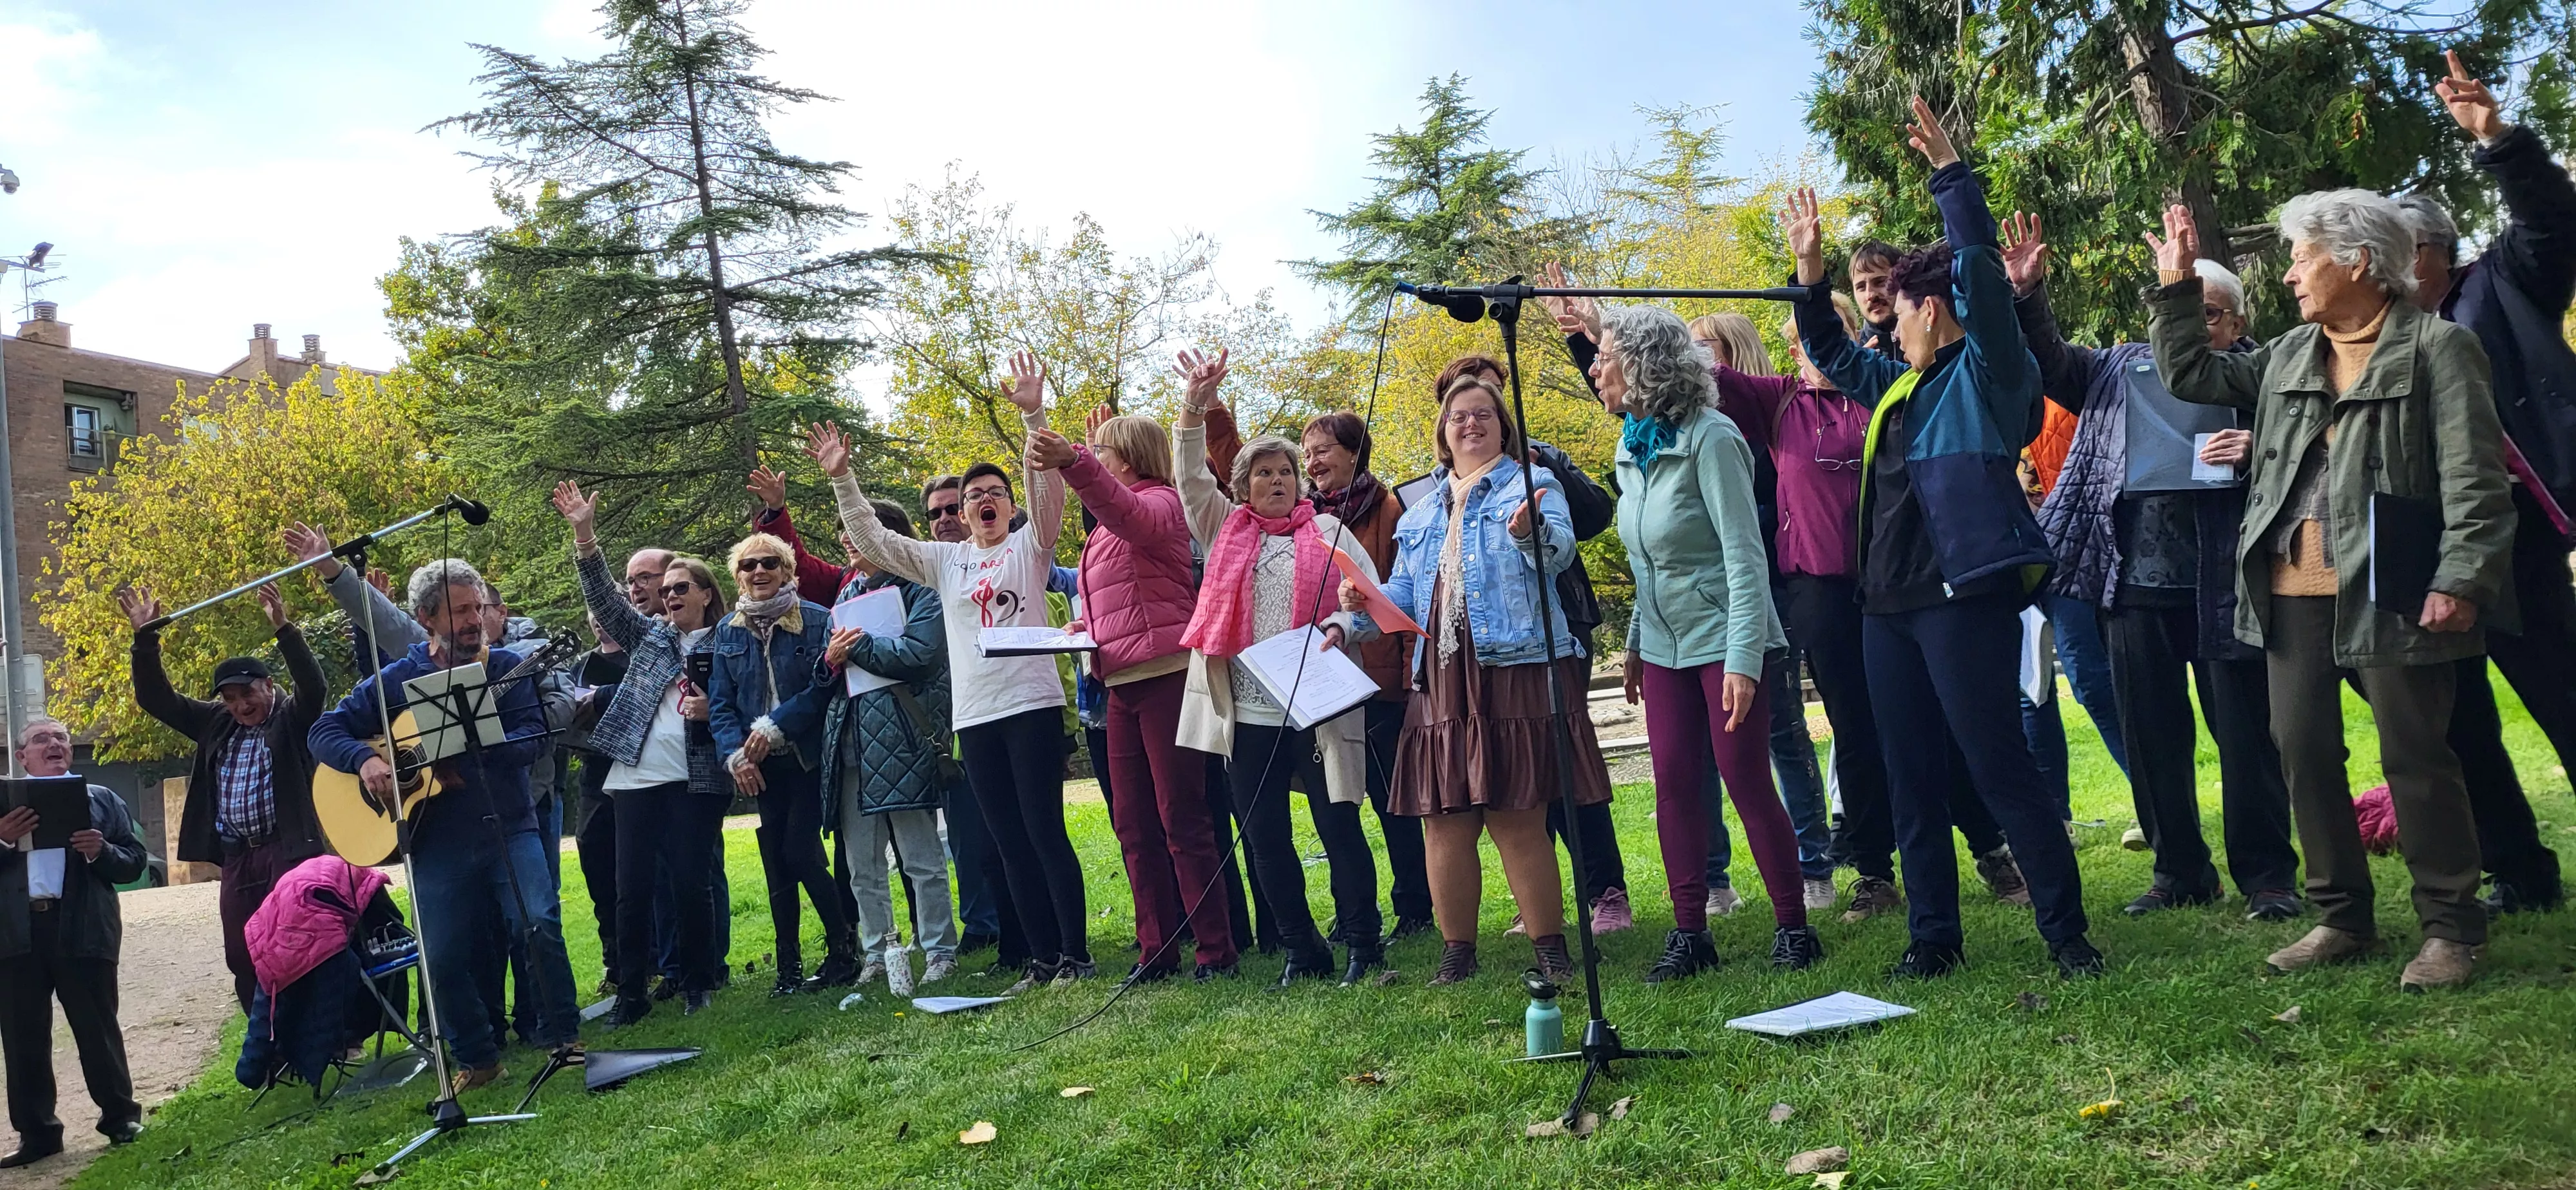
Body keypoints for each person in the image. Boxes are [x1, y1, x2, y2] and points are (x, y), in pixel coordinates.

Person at [2146, 189, 2515, 990]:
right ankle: (2341, 917)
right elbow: (2191, 372)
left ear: (2355, 261)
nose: (2288, 276)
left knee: (2416, 758)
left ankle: (2451, 929)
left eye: (2300, 257)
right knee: (2303, 751)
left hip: (2395, 585)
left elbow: (2477, 481)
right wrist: (2176, 290)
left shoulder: (2438, 349)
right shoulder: (2286, 354)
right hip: (2290, 586)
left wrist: (2460, 578)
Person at [1786, 97, 2103, 981]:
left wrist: (1952, 177)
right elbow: (1834, 352)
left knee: (1999, 765)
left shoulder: (1995, 376)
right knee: (1910, 773)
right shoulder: (1896, 386)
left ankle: (2066, 932)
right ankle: (1933, 939)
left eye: (1899, 310)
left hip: (1966, 599)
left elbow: (1987, 287)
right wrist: (1809, 272)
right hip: (1886, 609)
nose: (1884, 323)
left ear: (1934, 310)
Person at [2005, 214, 2303, 921]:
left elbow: (2314, 441)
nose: (2195, 327)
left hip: (2227, 579)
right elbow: (2049, 362)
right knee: (2151, 734)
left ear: (2234, 323)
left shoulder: (2265, 374)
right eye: (2185, 309)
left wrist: (2259, 441)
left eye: (2208, 314)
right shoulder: (2116, 367)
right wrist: (2026, 294)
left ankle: (2267, 878)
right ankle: (2178, 872)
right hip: (2131, 579)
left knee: (2245, 734)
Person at [811, 352, 1094, 992]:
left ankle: (1075, 957)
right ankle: (1041, 960)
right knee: (1005, 842)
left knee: (1044, 830)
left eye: (995, 494)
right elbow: (877, 543)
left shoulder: (1030, 545)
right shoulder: (945, 563)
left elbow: (1047, 489)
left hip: (1031, 707)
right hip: (976, 717)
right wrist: (842, 479)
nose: (984, 502)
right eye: (973, 498)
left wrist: (1033, 417)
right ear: (961, 514)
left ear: (1008, 506)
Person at [1344, 373, 1612, 987]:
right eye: (1458, 415)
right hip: (1439, 672)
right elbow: (1406, 594)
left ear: (1502, 424)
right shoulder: (1420, 507)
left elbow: (1560, 553)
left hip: (1511, 664)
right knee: (1444, 820)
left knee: (1517, 813)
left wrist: (1528, 532)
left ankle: (1551, 949)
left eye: (1483, 414)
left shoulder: (1533, 481)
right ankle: (1456, 954)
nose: (1470, 423)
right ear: (1443, 429)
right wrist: (1356, 614)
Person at [2391, 52, 2575, 914]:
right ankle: (2521, 872)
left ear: (2428, 250)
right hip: (2423, 551)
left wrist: (2496, 141)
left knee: (2562, 692)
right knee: (2460, 725)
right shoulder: (2376, 340)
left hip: (2514, 537)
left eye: (2385, 253)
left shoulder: (2497, 286)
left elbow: (2551, 221)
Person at [1591, 303, 1821, 979]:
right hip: (1663, 645)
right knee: (1673, 785)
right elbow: (1647, 562)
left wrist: (1745, 660)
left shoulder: (1713, 436)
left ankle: (1794, 926)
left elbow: (1744, 557)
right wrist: (1635, 641)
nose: (1596, 367)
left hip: (1725, 636)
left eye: (1605, 354)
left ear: (1643, 364)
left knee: (1747, 779)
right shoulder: (1630, 444)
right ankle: (1690, 933)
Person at [309, 560, 579, 1094]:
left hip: (510, 824)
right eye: (461, 610)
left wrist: (484, 742)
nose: (475, 619)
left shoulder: (507, 667)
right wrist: (365, 763)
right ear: (426, 617)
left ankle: (565, 1041)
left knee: (539, 923)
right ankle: (478, 1058)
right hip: (435, 841)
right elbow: (325, 729)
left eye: (478, 607)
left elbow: (535, 738)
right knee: (442, 956)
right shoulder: (399, 679)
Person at [1159, 350, 1384, 987]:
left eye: (1286, 471)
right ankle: (1301, 951)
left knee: (1337, 824)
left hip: (1317, 709)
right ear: (1242, 487)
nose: (1279, 480)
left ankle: (1364, 947)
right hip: (1251, 712)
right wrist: (1194, 403)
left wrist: (1340, 624)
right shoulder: (1224, 528)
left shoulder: (1332, 534)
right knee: (1264, 838)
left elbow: (1370, 607)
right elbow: (1186, 479)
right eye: (1263, 473)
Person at [1027, 405, 1240, 985]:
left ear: (1131, 459)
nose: (1096, 460)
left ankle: (1215, 950)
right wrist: (1084, 629)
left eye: (1104, 453)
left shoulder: (1164, 504)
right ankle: (1157, 951)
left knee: (1182, 819)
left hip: (1167, 675)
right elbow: (1125, 596)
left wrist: (1072, 461)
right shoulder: (1107, 527)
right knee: (1133, 825)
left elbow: (1130, 516)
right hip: (1119, 683)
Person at [1430, 354, 1634, 938]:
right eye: (1460, 406)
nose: (1475, 417)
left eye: (1489, 400)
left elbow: (1593, 515)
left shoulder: (1539, 465)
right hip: (1468, 654)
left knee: (1565, 772)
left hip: (1551, 629)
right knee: (1512, 783)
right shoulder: (1436, 494)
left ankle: (1606, 890)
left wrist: (1542, 481)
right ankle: (1537, 901)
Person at [552, 487, 734, 1020]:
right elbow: (606, 602)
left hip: (696, 778)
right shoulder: (650, 636)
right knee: (629, 890)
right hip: (634, 777)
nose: (671, 596)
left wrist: (713, 711)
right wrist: (584, 535)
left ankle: (698, 984)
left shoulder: (730, 641)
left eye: (682, 589)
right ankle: (631, 994)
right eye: (667, 589)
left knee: (688, 883)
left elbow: (746, 699)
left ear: (705, 594)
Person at [120, 581, 327, 1011]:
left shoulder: (292, 718)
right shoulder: (215, 722)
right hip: (237, 857)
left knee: (294, 940)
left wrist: (285, 630)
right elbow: (157, 699)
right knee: (241, 951)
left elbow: (314, 687)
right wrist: (145, 642)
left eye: (247, 694)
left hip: (285, 849)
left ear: (268, 687)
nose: (240, 705)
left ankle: (312, 1034)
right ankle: (264, 1045)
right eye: (230, 699)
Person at [816, 498, 962, 995]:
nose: (847, 543)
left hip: (903, 740)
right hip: (851, 745)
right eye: (843, 536)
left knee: (921, 858)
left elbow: (920, 655)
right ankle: (877, 954)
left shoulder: (922, 589)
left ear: (887, 534)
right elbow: (827, 674)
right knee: (862, 866)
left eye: (855, 533)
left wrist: (854, 647)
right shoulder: (847, 593)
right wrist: (831, 659)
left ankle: (940, 950)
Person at [1302, 410, 1435, 943]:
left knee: (1393, 802)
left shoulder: (1390, 509)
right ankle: (1356, 910)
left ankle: (1415, 906)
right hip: (1331, 683)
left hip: (1384, 686)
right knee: (1341, 801)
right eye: (1307, 453)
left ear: (1355, 453)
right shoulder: (1307, 519)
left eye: (1323, 451)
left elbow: (1403, 599)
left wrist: (1406, 681)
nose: (1312, 463)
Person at [708, 531, 860, 992]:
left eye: (769, 564)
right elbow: (720, 702)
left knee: (800, 852)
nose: (759, 572)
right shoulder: (727, 631)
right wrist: (736, 755)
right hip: (760, 768)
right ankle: (788, 967)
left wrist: (774, 726)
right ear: (737, 576)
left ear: (788, 572)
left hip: (809, 757)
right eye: (749, 565)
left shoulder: (816, 620)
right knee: (776, 862)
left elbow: (825, 687)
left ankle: (843, 949)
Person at [0, 719, 146, 1167]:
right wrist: (3, 838)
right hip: (16, 933)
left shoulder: (102, 800)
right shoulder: (2, 804)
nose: (55, 745)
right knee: (22, 1038)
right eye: (41, 739)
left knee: (96, 1027)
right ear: (21, 756)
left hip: (82, 927)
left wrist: (99, 851)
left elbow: (134, 864)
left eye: (61, 738)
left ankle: (120, 1118)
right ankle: (38, 1134)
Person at [918, 474, 1006, 959]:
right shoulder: (926, 570)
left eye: (954, 507)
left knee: (1015, 828)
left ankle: (1032, 928)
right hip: (948, 722)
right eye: (936, 513)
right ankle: (983, 923)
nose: (946, 519)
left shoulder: (1016, 554)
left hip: (1013, 709)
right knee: (968, 833)